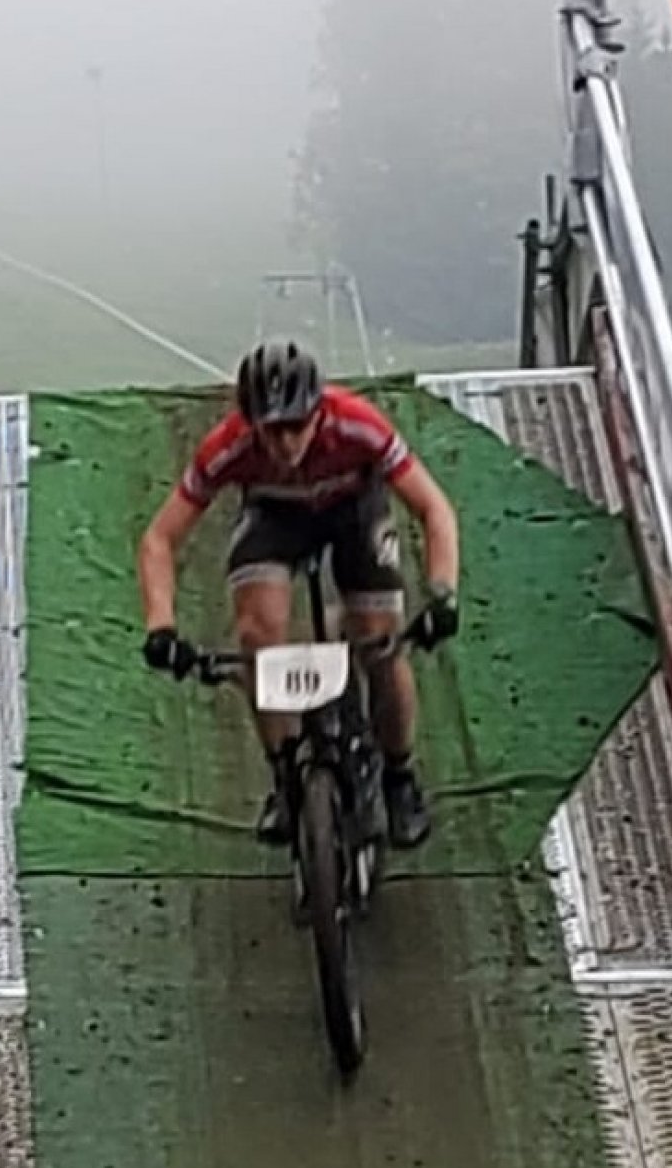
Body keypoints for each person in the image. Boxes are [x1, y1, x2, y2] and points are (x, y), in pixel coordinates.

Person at [137, 337, 460, 849]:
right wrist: (161, 625)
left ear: (318, 411)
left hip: (354, 509)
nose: (286, 444)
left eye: (297, 425)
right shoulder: (227, 446)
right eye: (272, 430)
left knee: (381, 641)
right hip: (276, 513)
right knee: (257, 638)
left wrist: (443, 592)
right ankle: (285, 774)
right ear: (250, 423)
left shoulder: (359, 424)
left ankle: (399, 775)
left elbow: (433, 508)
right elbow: (159, 538)